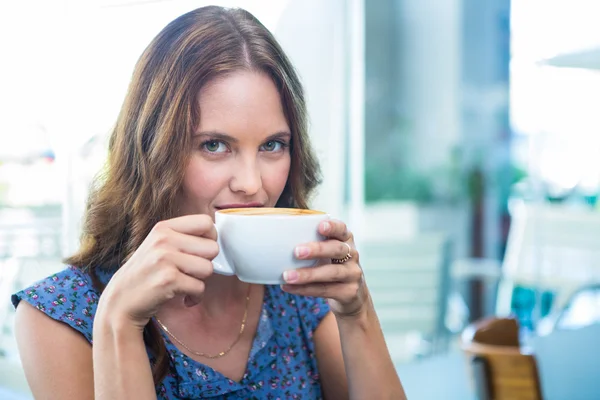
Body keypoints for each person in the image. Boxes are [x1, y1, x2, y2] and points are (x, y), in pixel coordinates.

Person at [12, 6, 406, 400]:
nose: (252, 184)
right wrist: (119, 320)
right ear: (152, 150)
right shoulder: (60, 315)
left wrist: (358, 315)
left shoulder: (299, 298)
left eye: (273, 145)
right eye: (214, 146)